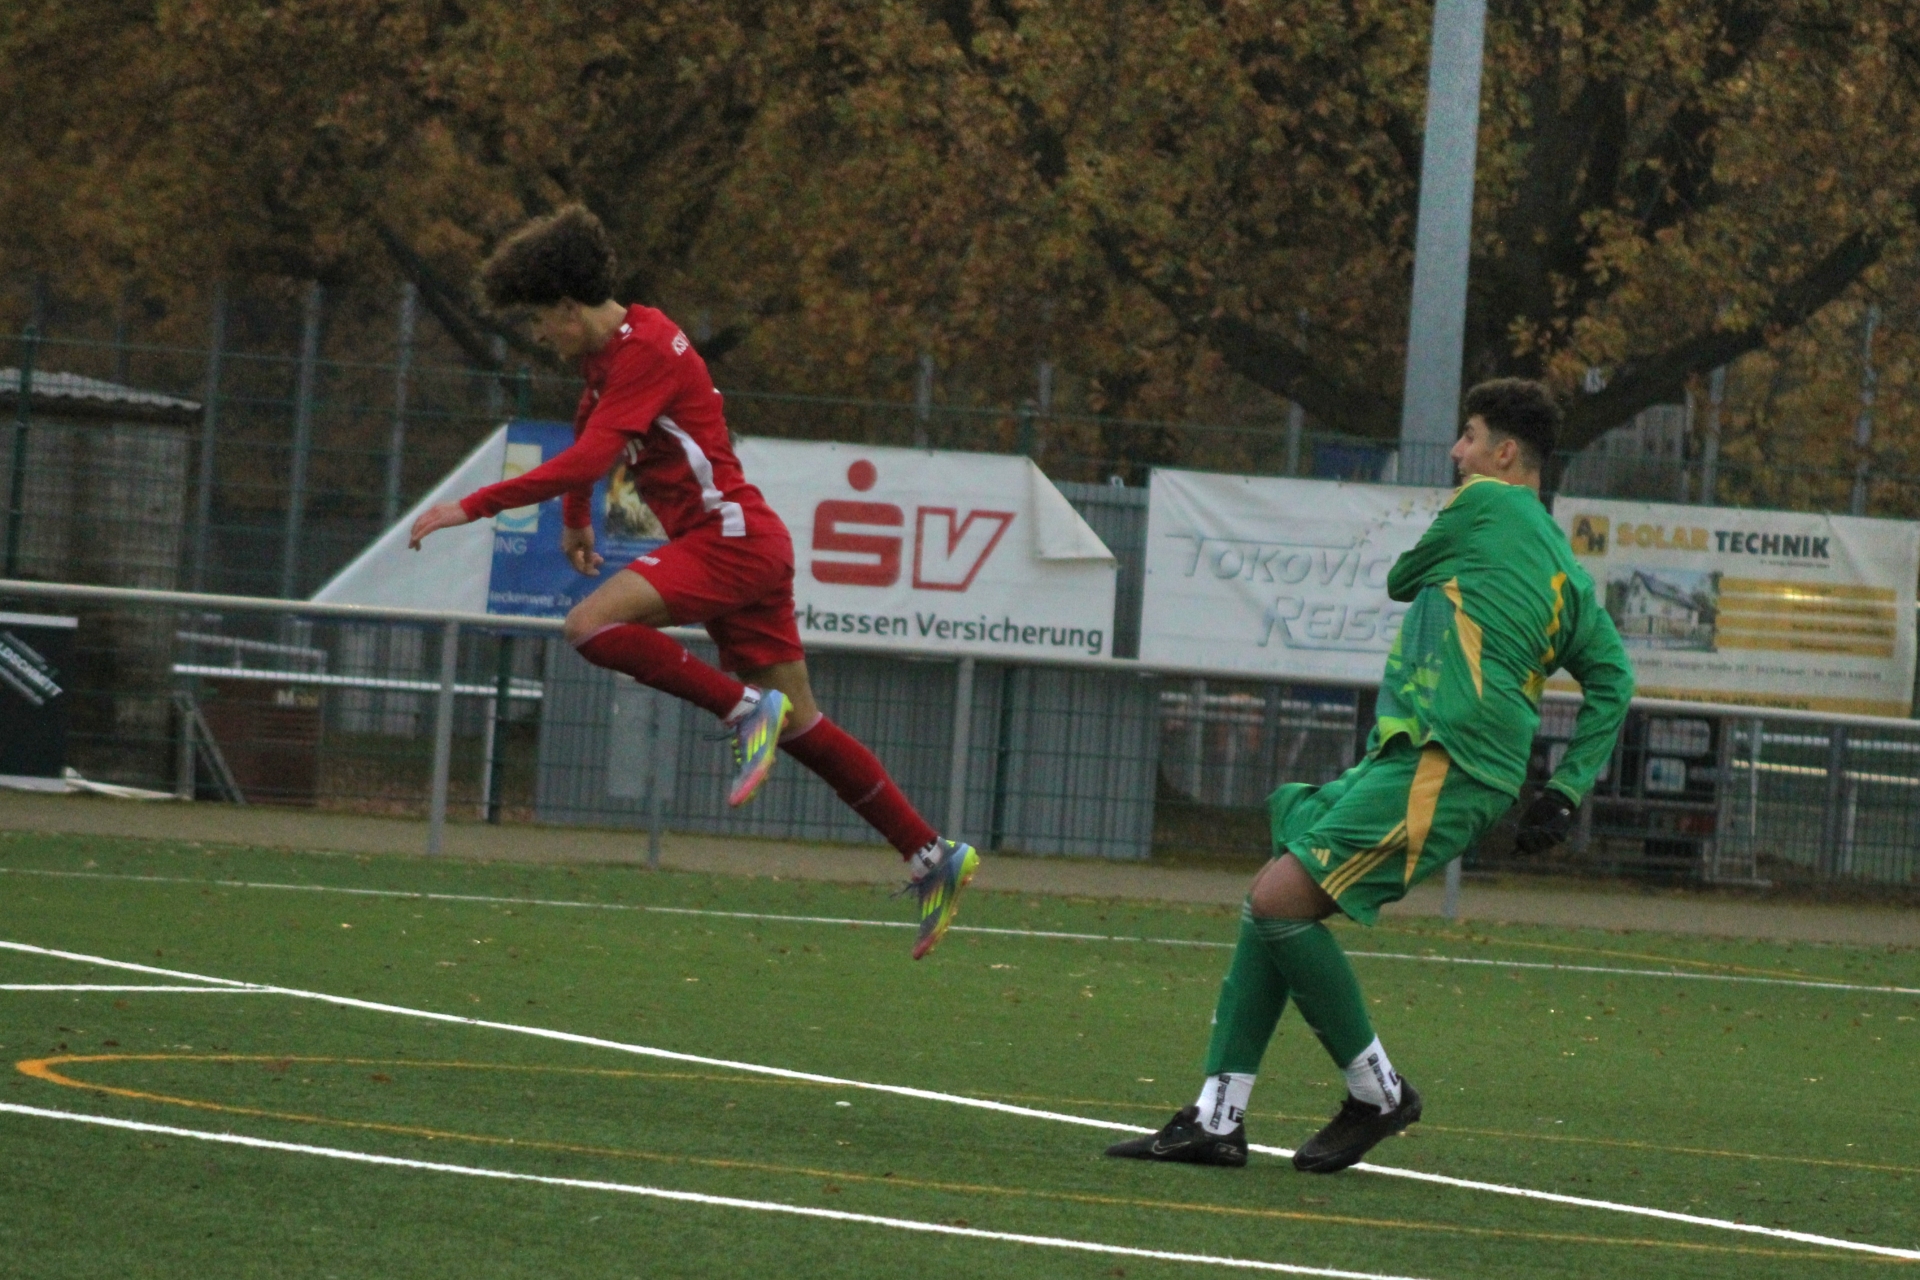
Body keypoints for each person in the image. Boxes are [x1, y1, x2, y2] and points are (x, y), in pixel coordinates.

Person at [408, 205, 978, 959]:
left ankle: (745, 710)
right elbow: (589, 428)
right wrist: (575, 520)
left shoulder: (645, 349)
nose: (540, 336)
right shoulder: (618, 349)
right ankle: (932, 855)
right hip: (747, 543)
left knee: (589, 627)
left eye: (540, 321)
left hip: (728, 541)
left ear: (569, 307)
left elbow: (589, 455)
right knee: (804, 727)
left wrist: (473, 505)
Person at [1107, 378, 1633, 1173]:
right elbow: (1613, 678)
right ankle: (1217, 1116)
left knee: (1279, 902)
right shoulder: (1566, 570)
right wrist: (1564, 789)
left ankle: (1378, 1092)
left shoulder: (1485, 503)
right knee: (1276, 879)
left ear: (1505, 454)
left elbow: (1401, 577)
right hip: (1421, 754)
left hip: (1447, 759)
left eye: (1468, 436)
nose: (1455, 453)